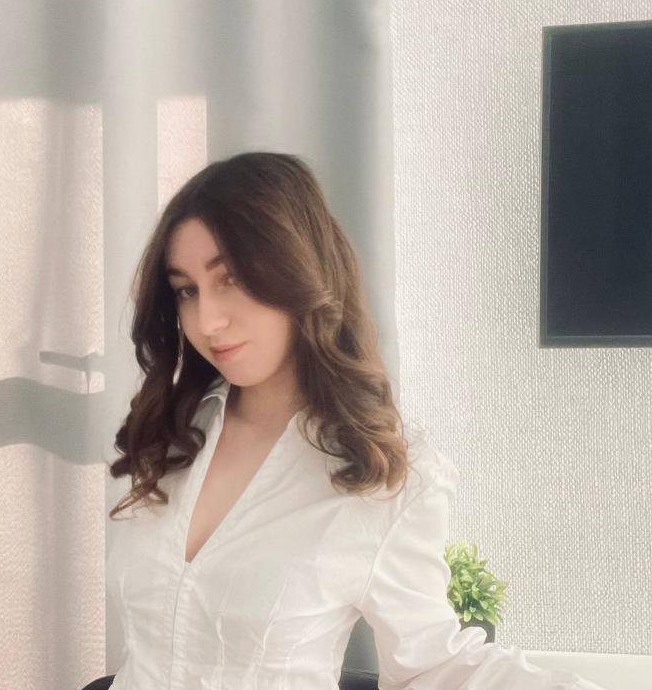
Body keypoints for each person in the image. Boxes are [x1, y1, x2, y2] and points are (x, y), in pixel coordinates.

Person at [104, 152, 604, 689]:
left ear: (298, 271)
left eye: (232, 279)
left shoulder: (376, 476)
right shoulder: (171, 436)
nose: (207, 320)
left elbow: (434, 665)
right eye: (187, 290)